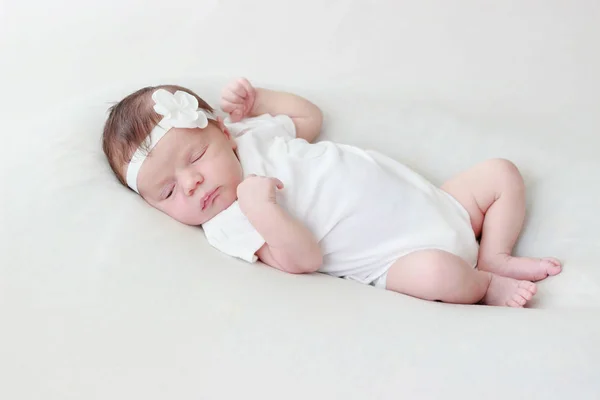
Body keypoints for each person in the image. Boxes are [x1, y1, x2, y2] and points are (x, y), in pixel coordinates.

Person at [102, 78, 562, 307]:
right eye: (166, 192)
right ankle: (483, 284)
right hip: (397, 258)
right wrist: (262, 209)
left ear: (222, 131)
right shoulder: (228, 222)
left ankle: (494, 254)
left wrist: (262, 102)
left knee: (501, 174)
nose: (191, 184)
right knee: (441, 274)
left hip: (442, 204)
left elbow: (309, 120)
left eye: (195, 158)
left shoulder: (251, 138)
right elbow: (303, 260)